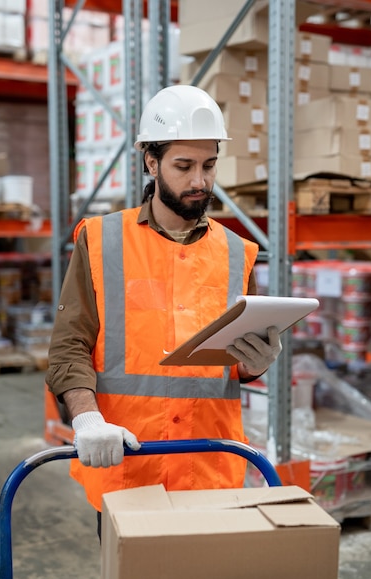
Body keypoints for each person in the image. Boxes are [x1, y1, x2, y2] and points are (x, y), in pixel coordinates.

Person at [46, 84, 282, 524]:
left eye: (209, 165)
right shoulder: (100, 241)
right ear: (151, 162)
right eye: (183, 165)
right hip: (131, 467)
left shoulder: (238, 252)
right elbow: (69, 346)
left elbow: (232, 364)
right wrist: (87, 418)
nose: (200, 181)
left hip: (210, 468)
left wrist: (256, 364)